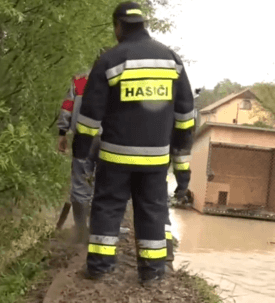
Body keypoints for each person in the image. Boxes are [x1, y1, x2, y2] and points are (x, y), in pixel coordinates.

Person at [72, 1, 195, 284]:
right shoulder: (171, 60)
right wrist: (182, 170)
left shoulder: (110, 60)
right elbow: (185, 118)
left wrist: (81, 155)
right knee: (151, 211)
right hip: (155, 160)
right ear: (143, 24)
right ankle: (151, 273)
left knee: (107, 207)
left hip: (116, 158)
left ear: (118, 26)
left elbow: (90, 116)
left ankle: (100, 268)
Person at [57, 50, 108, 242]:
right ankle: (99, 231)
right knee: (104, 184)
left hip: (82, 138)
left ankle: (80, 231)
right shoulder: (118, 82)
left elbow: (67, 107)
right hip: (108, 140)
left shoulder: (79, 81)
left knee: (79, 183)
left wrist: (62, 133)